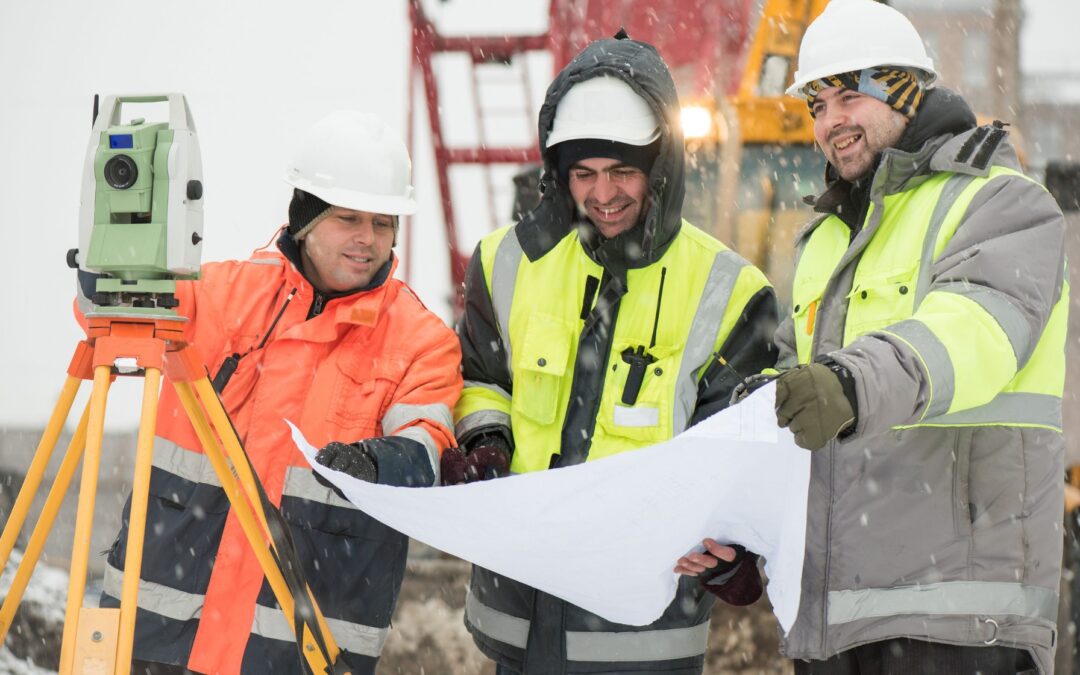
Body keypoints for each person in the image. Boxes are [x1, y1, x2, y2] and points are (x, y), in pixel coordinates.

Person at [679, 1, 1067, 673]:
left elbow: (970, 332)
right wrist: (744, 537)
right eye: (817, 106)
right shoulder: (822, 242)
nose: (831, 123)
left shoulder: (1000, 202)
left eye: (849, 96)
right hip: (836, 627)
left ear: (905, 88)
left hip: (958, 623)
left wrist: (849, 382)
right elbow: (798, 419)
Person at [78, 111, 462, 675]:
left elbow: (428, 445)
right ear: (305, 218)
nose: (368, 239)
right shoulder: (219, 294)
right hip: (157, 641)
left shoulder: (421, 338)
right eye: (348, 218)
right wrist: (112, 265)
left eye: (383, 223)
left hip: (299, 652)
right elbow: (108, 315)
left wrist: (379, 462)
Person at [447, 32, 778, 674]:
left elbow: (748, 455)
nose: (604, 195)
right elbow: (481, 379)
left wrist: (740, 552)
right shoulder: (504, 262)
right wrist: (486, 443)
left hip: (643, 638)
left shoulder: (732, 291)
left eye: (623, 170)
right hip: (517, 620)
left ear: (660, 167)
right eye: (584, 174)